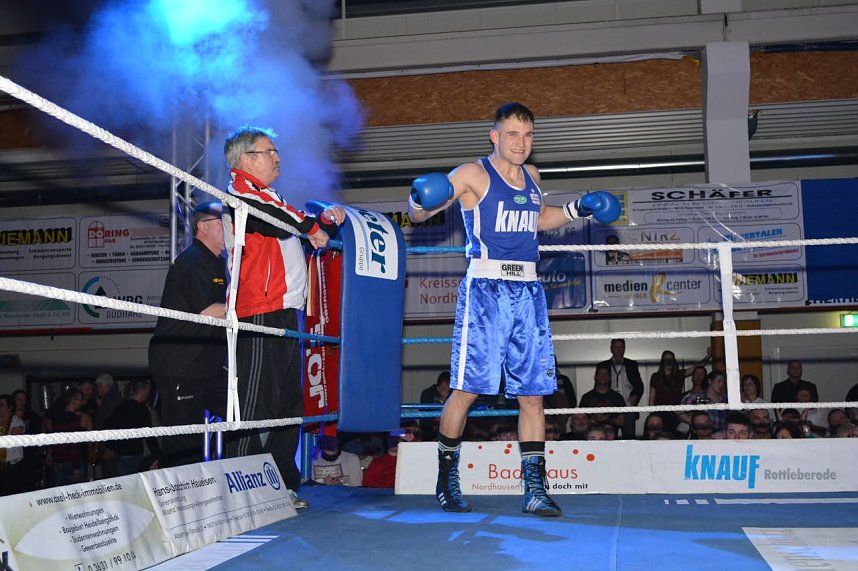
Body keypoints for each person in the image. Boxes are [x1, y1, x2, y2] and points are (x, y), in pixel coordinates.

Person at [407, 102, 620, 517]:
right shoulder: (473, 174)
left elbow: (538, 219)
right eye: (512, 134)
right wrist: (417, 199)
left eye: (528, 135)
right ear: (495, 135)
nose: (521, 143)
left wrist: (579, 209)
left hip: (528, 289)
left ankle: (535, 490)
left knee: (534, 395)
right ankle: (446, 479)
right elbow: (422, 213)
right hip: (486, 289)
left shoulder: (533, 177)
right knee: (466, 390)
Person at [222, 125, 345, 510]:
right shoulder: (240, 192)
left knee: (287, 404)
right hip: (259, 309)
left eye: (276, 151)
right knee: (256, 402)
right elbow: (278, 218)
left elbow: (294, 221)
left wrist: (325, 222)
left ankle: (281, 485)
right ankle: (240, 489)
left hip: (285, 309)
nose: (277, 157)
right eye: (268, 151)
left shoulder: (272, 197)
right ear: (245, 160)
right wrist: (312, 225)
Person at [149, 201, 228, 468]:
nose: (229, 227)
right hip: (182, 363)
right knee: (185, 441)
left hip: (207, 364)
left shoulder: (218, 263)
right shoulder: (193, 260)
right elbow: (208, 311)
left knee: (244, 410)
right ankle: (176, 499)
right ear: (202, 227)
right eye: (222, 221)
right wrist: (253, 307)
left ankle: (234, 482)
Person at [104, 379, 161, 476]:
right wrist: (158, 455)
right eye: (147, 392)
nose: (148, 395)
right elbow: (149, 436)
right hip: (134, 454)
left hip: (119, 453)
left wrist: (110, 447)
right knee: (134, 483)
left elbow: (108, 427)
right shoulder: (142, 410)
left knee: (124, 483)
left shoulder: (120, 407)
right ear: (142, 391)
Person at [597, 339, 643, 438]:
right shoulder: (603, 365)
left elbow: (639, 387)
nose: (619, 350)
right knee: (607, 437)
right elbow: (598, 387)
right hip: (609, 406)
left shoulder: (632, 364)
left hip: (627, 406)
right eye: (616, 347)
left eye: (621, 347)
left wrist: (634, 398)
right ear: (611, 349)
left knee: (629, 438)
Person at [11, 389, 45, 491]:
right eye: (18, 399)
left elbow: (39, 434)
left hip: (29, 457)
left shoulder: (32, 416)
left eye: (24, 400)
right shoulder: (6, 416)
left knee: (28, 485)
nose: (21, 402)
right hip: (11, 458)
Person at [579, 364, 627, 433]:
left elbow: (622, 421)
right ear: (595, 377)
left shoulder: (617, 397)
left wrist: (607, 420)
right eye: (600, 374)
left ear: (609, 377)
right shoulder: (586, 397)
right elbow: (581, 421)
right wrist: (594, 420)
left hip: (610, 437)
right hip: (591, 435)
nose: (603, 376)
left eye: (606, 374)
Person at [94, 373, 123, 478]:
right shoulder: (114, 398)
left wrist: (109, 447)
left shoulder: (110, 400)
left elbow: (112, 424)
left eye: (98, 386)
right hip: (112, 444)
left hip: (109, 445)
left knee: (111, 475)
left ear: (101, 386)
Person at [0, 394, 25, 496]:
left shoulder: (16, 421)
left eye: (1, 405)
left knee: (9, 494)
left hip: (9, 467)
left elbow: (13, 436)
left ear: (9, 408)